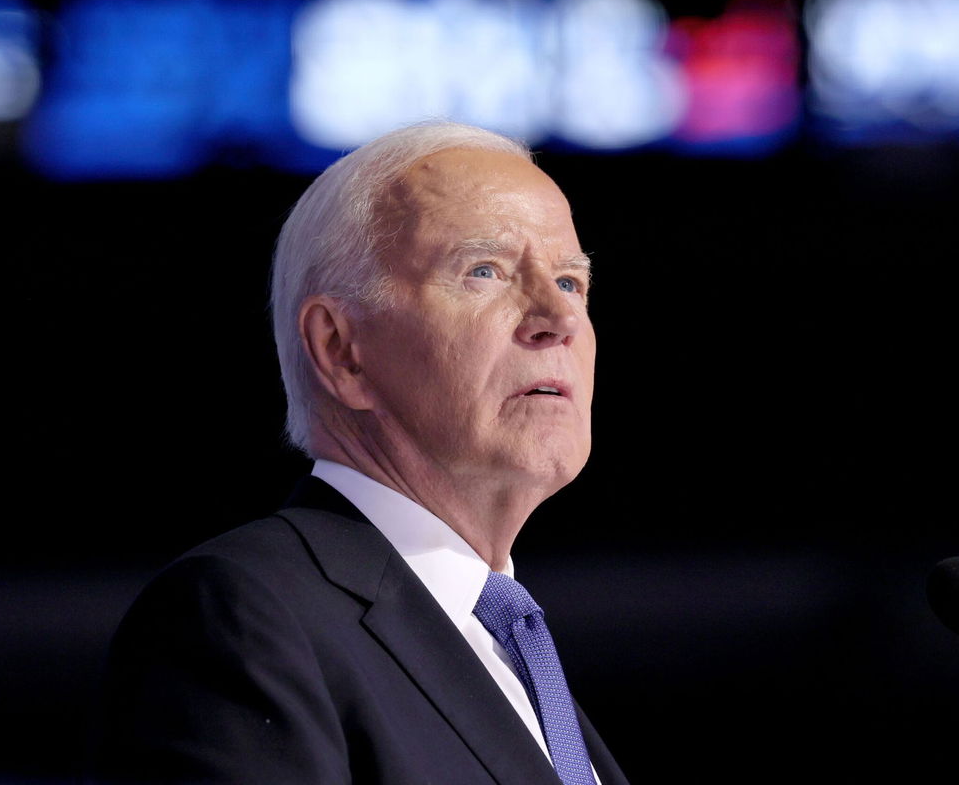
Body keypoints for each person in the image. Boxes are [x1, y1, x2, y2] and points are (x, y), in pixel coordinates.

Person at [92, 121, 628, 785]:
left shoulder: (513, 649)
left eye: (573, 282)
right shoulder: (240, 616)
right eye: (483, 271)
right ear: (341, 349)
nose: (559, 316)